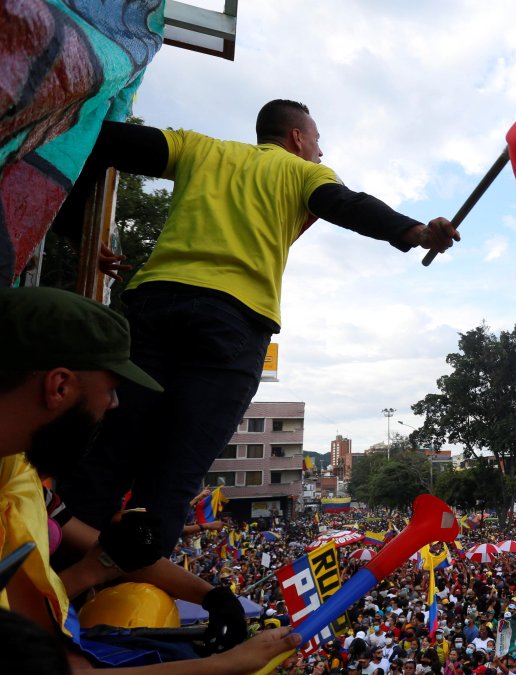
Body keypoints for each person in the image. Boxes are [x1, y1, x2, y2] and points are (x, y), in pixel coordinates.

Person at [53, 99, 461, 555]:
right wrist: (417, 232)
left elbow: (97, 138)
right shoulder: (302, 172)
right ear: (296, 138)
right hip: (232, 325)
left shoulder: (197, 148)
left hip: (153, 307)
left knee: (105, 459)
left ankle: (48, 586)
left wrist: (77, 229)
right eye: (318, 141)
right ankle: (117, 609)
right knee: (170, 481)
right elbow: (348, 204)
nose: (322, 154)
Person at [0, 286, 301, 672]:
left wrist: (212, 595)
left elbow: (115, 552)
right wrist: (230, 664)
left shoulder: (18, 473)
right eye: (110, 390)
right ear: (60, 386)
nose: (114, 405)